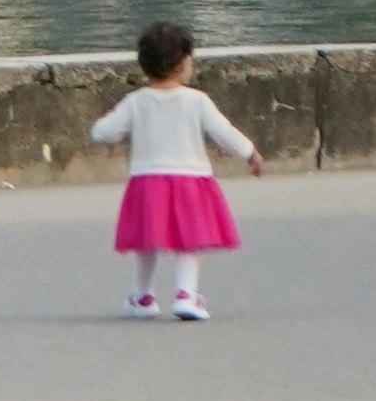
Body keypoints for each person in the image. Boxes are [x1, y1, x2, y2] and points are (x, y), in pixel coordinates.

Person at [91, 18, 262, 317]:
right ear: (184, 63)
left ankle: (143, 296)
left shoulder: (136, 101)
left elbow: (104, 132)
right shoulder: (197, 100)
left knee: (147, 239)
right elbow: (223, 131)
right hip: (191, 179)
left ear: (144, 65)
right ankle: (186, 294)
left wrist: (99, 128)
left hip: (147, 180)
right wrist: (248, 151)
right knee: (188, 241)